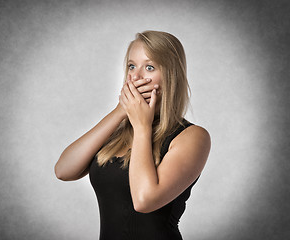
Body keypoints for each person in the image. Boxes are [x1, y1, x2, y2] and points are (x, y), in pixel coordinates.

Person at [55, 30, 211, 240]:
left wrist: (142, 127)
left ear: (171, 75)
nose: (135, 77)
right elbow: (63, 170)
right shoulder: (118, 132)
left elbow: (144, 201)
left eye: (149, 67)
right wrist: (120, 111)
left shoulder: (193, 137)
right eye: (131, 66)